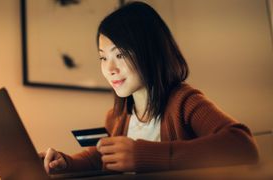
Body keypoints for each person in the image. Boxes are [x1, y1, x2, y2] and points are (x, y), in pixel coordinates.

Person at [39, 1, 259, 174]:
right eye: (103, 58)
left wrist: (144, 155)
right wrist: (65, 163)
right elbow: (99, 158)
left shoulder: (184, 102)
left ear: (149, 51)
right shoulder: (116, 117)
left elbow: (243, 146)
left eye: (120, 54)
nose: (110, 68)